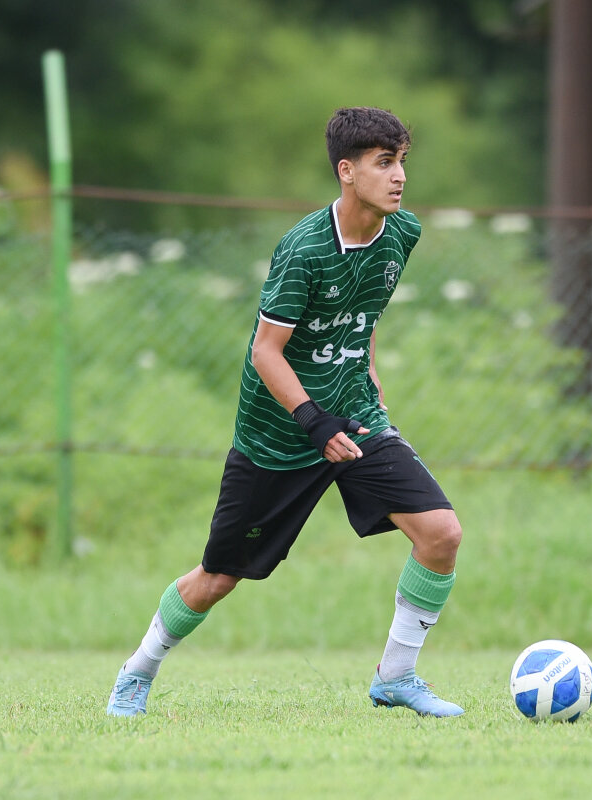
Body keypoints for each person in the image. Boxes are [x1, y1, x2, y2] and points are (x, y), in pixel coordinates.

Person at [106, 106, 466, 719]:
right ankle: (137, 671)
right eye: (385, 163)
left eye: (403, 161)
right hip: (278, 435)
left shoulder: (401, 233)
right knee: (218, 578)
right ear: (347, 172)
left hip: (354, 416)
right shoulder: (304, 250)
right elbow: (265, 351)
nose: (400, 176)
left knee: (441, 535)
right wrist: (313, 422)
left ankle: (396, 677)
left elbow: (364, 312)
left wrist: (366, 368)